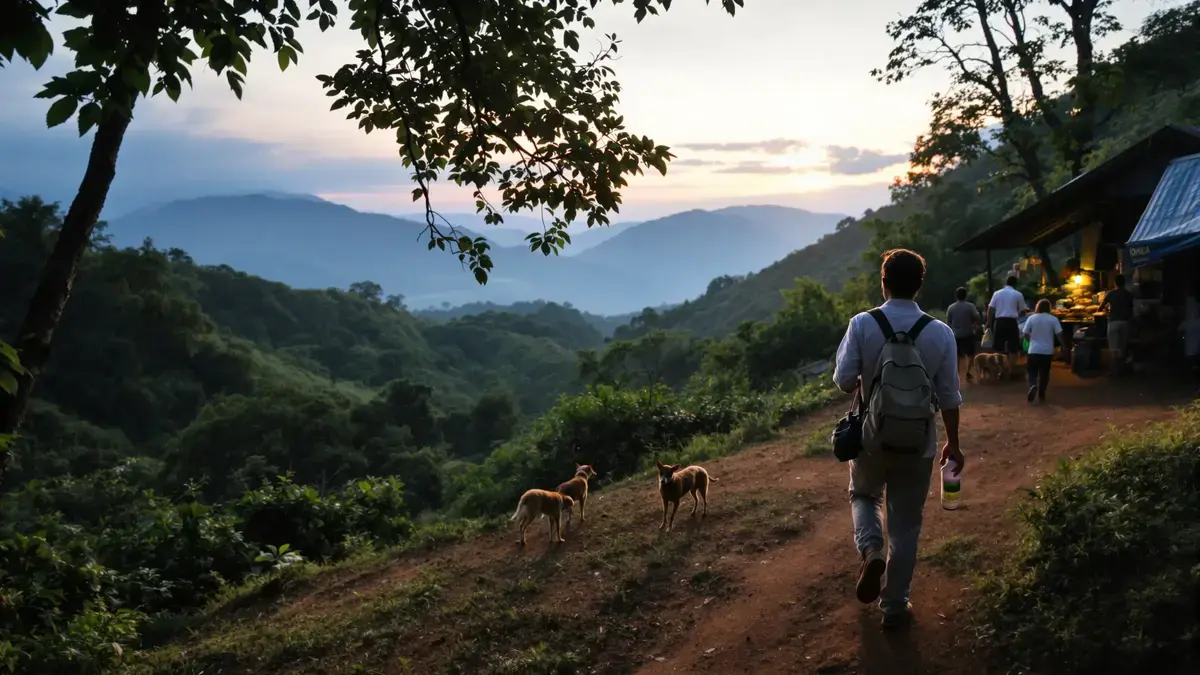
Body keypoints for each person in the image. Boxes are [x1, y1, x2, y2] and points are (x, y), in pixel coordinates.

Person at [832, 249, 964, 630]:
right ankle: (894, 606)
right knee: (905, 525)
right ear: (919, 285)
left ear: (883, 282)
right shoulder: (940, 332)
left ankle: (871, 549)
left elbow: (843, 381)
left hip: (871, 440)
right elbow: (950, 396)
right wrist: (953, 443)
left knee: (864, 495)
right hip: (918, 442)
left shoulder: (863, 324)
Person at [1021, 299, 1063, 403]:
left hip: (1033, 350)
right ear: (1049, 308)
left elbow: (1025, 333)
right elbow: (1059, 334)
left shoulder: (1031, 318)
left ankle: (1033, 385)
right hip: (1047, 351)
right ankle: (1042, 393)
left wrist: (1030, 341)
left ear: (1037, 307)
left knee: (1031, 372)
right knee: (1044, 373)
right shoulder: (1053, 319)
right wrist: (1064, 345)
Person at [987, 276, 1028, 379]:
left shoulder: (997, 293)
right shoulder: (1018, 294)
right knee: (1013, 348)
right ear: (1015, 284)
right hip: (1012, 322)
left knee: (998, 348)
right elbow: (1023, 311)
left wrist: (988, 322)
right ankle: (1011, 370)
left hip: (999, 321)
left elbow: (990, 309)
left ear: (1006, 283)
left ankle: (1000, 370)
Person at [1098, 274, 1134, 375]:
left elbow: (1100, 308)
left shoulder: (1110, 293)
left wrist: (1106, 310)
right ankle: (1121, 370)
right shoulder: (1128, 294)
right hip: (1125, 323)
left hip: (1113, 322)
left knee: (1114, 348)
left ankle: (1114, 370)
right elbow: (1131, 310)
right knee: (1122, 348)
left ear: (1115, 283)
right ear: (1124, 283)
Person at [946, 287, 981, 382]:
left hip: (955, 334)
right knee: (970, 354)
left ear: (956, 296)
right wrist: (975, 326)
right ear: (966, 295)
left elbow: (948, 322)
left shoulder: (951, 307)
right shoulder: (970, 306)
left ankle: (956, 373)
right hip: (968, 333)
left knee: (956, 355)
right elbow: (977, 317)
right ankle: (967, 372)